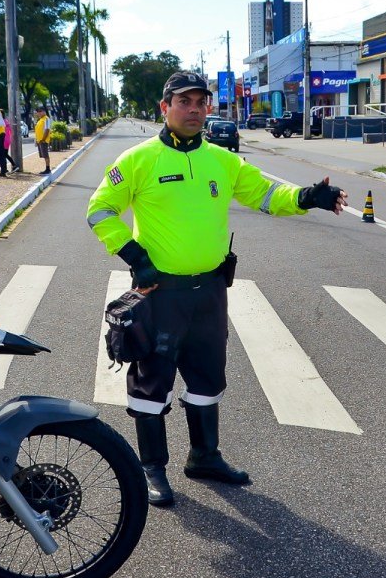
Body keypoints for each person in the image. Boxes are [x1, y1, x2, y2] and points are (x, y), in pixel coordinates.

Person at [85, 71, 348, 507]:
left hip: (209, 292)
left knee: (208, 377)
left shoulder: (223, 161)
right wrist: (135, 256)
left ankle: (204, 456)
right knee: (152, 383)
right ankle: (152, 468)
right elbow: (99, 210)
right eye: (183, 101)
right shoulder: (137, 160)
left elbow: (265, 194)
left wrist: (305, 198)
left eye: (200, 102)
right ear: (164, 108)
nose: (193, 109)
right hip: (159, 294)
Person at [33, 106, 52, 175]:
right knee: (43, 155)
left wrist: (43, 139)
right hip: (40, 140)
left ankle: (48, 169)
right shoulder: (40, 120)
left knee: (45, 155)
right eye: (38, 112)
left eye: (40, 111)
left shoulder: (46, 119)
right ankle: (47, 168)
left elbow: (47, 129)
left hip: (43, 140)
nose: (39, 113)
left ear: (44, 111)